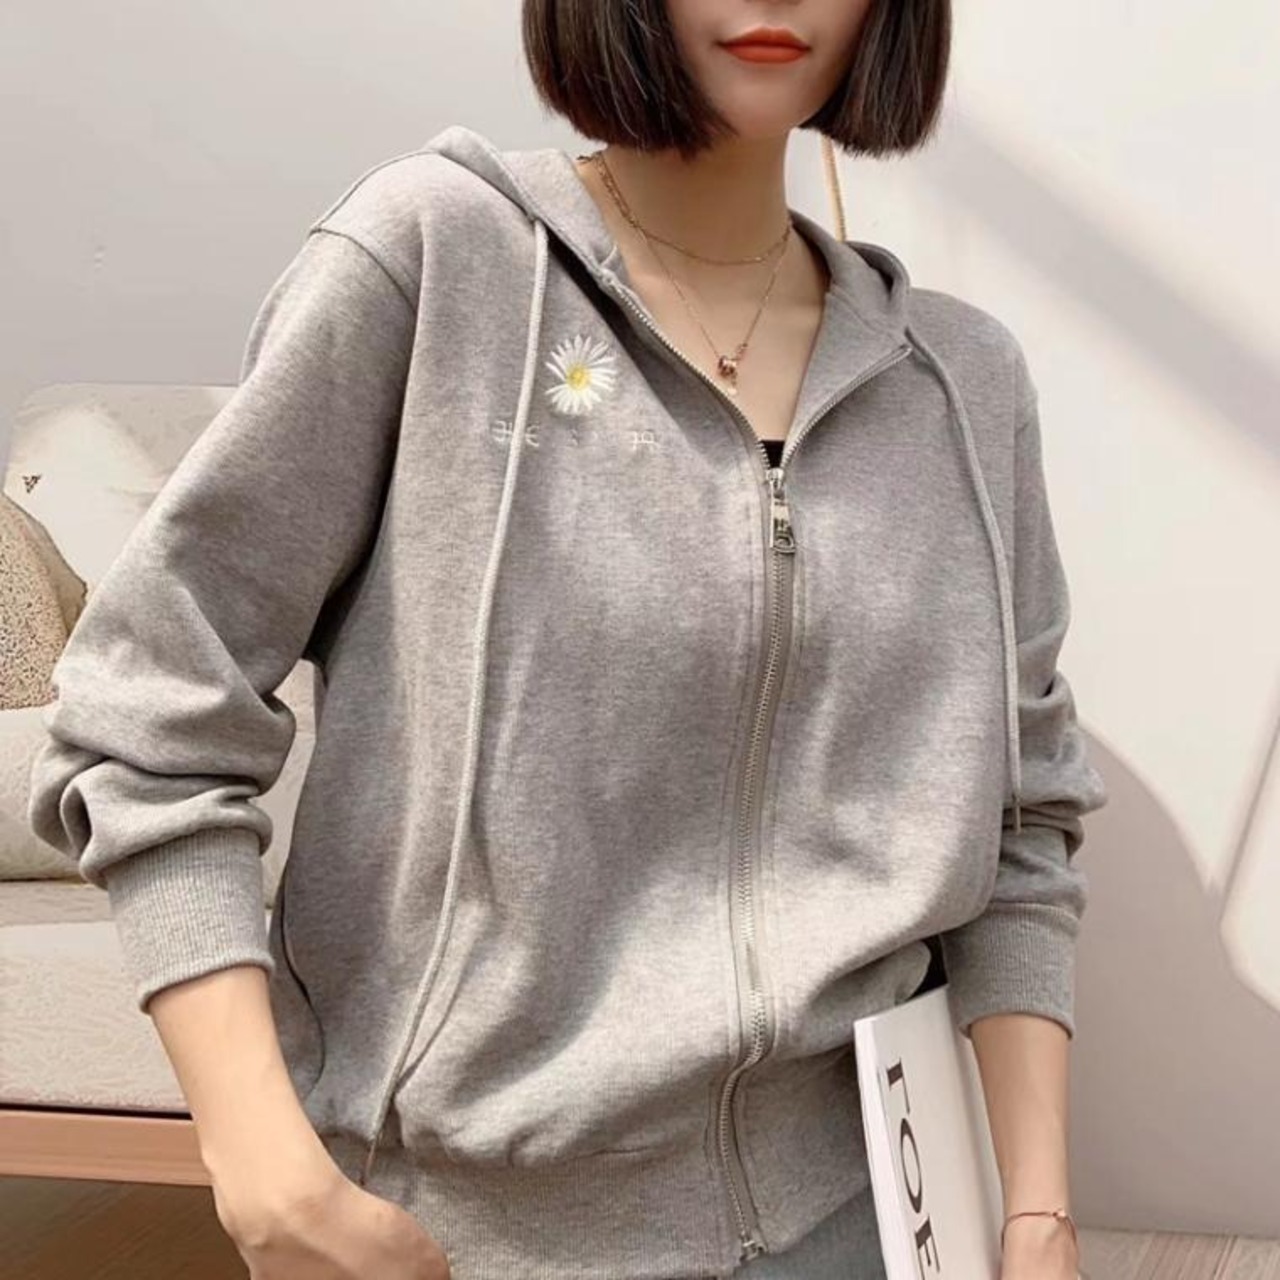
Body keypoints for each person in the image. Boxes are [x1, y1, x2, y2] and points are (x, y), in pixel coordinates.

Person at [26, 1, 1107, 1278]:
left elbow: (1019, 816)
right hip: (460, 1235)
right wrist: (262, 1161)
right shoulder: (438, 261)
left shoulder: (959, 383)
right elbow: (150, 705)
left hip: (865, 1218)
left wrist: (1035, 1211)